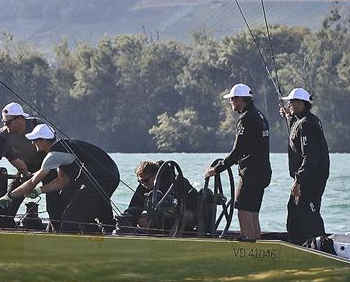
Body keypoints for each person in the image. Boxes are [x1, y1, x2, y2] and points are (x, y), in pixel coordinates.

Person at [5, 124, 120, 232]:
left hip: (100, 179)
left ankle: (68, 247)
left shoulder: (53, 155)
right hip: (112, 175)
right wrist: (39, 190)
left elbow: (32, 182)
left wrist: (9, 196)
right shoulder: (64, 147)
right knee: (87, 215)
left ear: (43, 141)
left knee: (70, 217)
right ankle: (105, 235)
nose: (33, 143)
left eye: (35, 140)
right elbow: (62, 181)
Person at [204, 83, 270, 240]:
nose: (231, 102)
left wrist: (217, 169)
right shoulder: (261, 116)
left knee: (243, 210)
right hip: (263, 172)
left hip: (251, 174)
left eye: (233, 99)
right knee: (253, 212)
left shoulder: (246, 119)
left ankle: (248, 247)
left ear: (241, 99)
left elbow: (238, 150)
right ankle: (257, 248)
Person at [279, 88, 330, 245]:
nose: (289, 104)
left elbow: (311, 157)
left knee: (309, 213)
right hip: (305, 177)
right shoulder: (302, 120)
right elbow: (297, 132)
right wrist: (289, 116)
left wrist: (299, 180)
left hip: (310, 178)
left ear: (302, 103)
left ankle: (321, 246)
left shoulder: (307, 123)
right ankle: (298, 244)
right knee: (294, 210)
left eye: (292, 102)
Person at [0, 102, 48, 217]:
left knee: (54, 202)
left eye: (8, 122)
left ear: (19, 119)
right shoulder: (3, 134)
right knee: (10, 199)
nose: (5, 125)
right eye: (3, 122)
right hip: (26, 167)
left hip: (47, 165)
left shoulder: (37, 125)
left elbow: (53, 147)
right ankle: (6, 224)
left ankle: (58, 228)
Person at [122, 161, 197, 232]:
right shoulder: (143, 186)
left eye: (146, 180)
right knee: (137, 216)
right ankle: (148, 237)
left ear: (155, 176)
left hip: (182, 215)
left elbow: (189, 203)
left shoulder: (174, 181)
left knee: (185, 214)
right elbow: (133, 207)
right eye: (140, 181)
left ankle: (172, 239)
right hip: (158, 218)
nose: (143, 184)